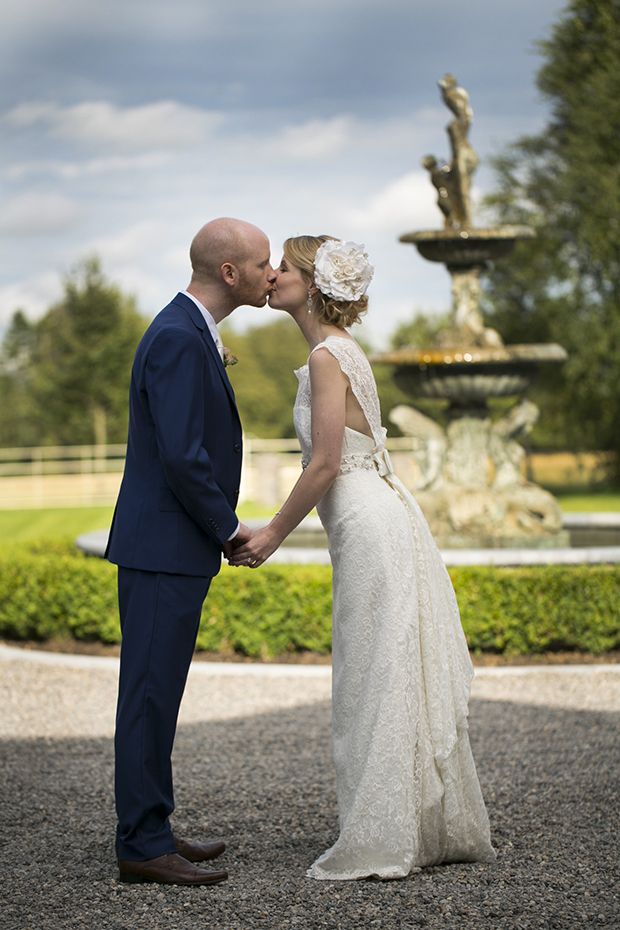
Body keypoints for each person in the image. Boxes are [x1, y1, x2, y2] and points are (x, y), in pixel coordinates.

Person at [230, 235, 496, 880]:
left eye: (283, 269)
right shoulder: (340, 350)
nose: (271, 276)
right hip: (376, 518)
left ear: (313, 286)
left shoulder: (327, 355)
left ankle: (385, 833)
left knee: (371, 674)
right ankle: (416, 824)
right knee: (383, 668)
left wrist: (269, 534)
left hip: (368, 524)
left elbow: (325, 463)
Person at [106, 217, 276, 886]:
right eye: (263, 262)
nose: (272, 273)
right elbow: (183, 454)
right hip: (162, 546)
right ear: (229, 273)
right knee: (148, 695)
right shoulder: (179, 336)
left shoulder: (190, 330)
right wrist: (229, 528)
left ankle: (152, 825)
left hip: (169, 547)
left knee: (156, 694)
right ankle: (143, 846)